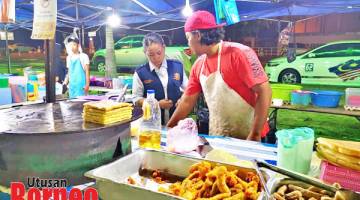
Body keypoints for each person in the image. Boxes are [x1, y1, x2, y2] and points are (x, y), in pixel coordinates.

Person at [167, 11, 272, 141]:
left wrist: (255, 133)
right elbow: (187, 101)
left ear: (198, 35)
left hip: (251, 135)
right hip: (220, 136)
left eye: (188, 37)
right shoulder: (198, 65)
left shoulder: (239, 54)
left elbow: (265, 91)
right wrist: (169, 127)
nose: (188, 42)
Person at [132, 32, 188, 125]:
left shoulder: (177, 66)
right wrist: (156, 104)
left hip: (177, 120)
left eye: (159, 53)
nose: (156, 57)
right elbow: (136, 99)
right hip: (152, 122)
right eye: (151, 55)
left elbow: (188, 89)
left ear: (164, 48)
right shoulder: (140, 72)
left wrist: (182, 99)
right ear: (145, 52)